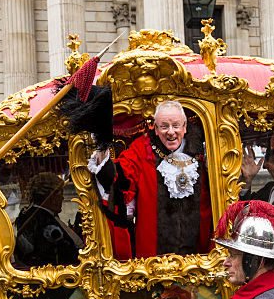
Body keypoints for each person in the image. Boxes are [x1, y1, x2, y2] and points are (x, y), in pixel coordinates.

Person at [89, 100, 212, 258]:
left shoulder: (206, 149)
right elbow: (118, 178)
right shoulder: (141, 149)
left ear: (185, 126)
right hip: (152, 259)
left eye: (176, 125)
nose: (170, 132)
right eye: (164, 126)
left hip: (201, 257)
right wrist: (101, 150)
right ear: (155, 127)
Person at [13, 172, 82, 268]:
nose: (62, 198)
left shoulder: (29, 215)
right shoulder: (42, 220)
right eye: (60, 194)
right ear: (52, 197)